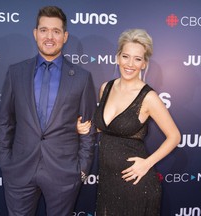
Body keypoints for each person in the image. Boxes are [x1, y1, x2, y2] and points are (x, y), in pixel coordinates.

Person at [0, 6, 96, 216]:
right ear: (35, 33)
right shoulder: (16, 73)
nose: (49, 37)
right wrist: (6, 162)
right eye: (43, 30)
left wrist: (82, 169)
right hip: (19, 170)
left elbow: (88, 127)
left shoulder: (81, 77)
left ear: (65, 36)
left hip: (63, 172)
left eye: (56, 31)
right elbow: (5, 121)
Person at [77, 29, 181, 215]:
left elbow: (174, 137)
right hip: (108, 183)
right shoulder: (105, 88)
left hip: (136, 185)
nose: (130, 64)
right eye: (126, 56)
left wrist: (147, 163)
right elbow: (105, 128)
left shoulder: (148, 97)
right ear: (117, 57)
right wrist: (85, 128)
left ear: (144, 64)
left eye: (137, 59)